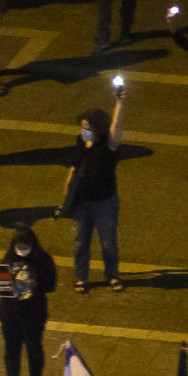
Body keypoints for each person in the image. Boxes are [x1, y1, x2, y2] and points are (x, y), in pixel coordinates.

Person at [61, 88, 130, 293]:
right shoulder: (81, 142)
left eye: (87, 128)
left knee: (108, 243)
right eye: (82, 127)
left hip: (104, 201)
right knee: (80, 242)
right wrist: (65, 194)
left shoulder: (108, 146)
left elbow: (115, 130)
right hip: (82, 202)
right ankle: (81, 277)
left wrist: (119, 103)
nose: (84, 131)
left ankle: (112, 275)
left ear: (98, 128)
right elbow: (73, 168)